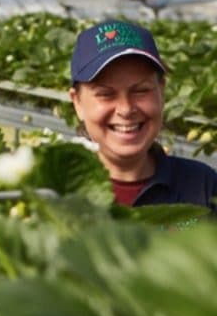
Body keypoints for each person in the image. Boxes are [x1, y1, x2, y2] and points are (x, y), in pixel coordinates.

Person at [69, 19, 216, 212]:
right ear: (77, 103)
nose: (125, 109)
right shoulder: (54, 194)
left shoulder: (202, 186)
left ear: (161, 92)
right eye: (105, 94)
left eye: (141, 91)